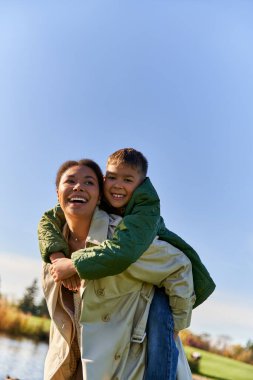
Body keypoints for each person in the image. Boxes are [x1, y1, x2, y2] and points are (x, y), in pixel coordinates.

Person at [39, 148, 215, 378]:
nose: (78, 187)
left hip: (126, 366)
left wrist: (175, 325)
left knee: (160, 319)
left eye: (88, 182)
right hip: (75, 366)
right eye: (70, 181)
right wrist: (57, 257)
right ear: (57, 192)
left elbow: (176, 265)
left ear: (98, 193)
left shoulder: (127, 233)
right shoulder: (54, 245)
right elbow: (47, 220)